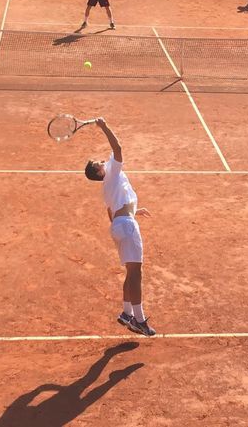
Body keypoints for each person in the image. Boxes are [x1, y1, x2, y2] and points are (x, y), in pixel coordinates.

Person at [84, 118, 156, 337]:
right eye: (97, 163)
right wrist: (104, 127)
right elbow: (118, 148)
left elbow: (111, 212)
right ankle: (140, 320)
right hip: (125, 225)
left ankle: (126, 313)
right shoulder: (112, 172)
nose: (101, 161)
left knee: (131, 272)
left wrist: (132, 213)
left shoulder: (107, 188)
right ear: (98, 173)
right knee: (136, 274)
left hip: (119, 225)